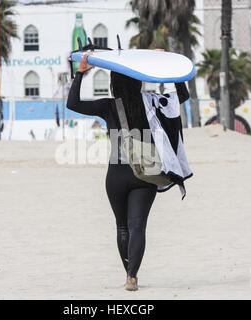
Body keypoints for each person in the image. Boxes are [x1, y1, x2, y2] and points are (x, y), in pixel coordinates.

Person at [66, 54, 190, 291]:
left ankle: (128, 274)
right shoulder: (154, 102)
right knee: (138, 226)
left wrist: (81, 73)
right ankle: (132, 276)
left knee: (122, 227)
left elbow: (73, 104)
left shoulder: (109, 106)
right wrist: (171, 67)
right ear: (139, 81)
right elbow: (181, 96)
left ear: (114, 85)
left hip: (116, 175)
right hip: (146, 174)